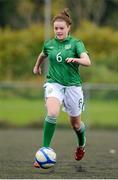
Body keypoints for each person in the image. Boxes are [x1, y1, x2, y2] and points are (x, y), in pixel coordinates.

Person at [33, 8, 91, 168]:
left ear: (68, 28)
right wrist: (37, 66)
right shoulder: (49, 44)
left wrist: (76, 59)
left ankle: (81, 145)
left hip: (73, 87)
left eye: (61, 28)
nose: (58, 31)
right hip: (54, 84)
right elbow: (43, 54)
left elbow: (87, 61)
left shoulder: (76, 43)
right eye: (56, 28)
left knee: (76, 125)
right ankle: (45, 149)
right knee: (52, 112)